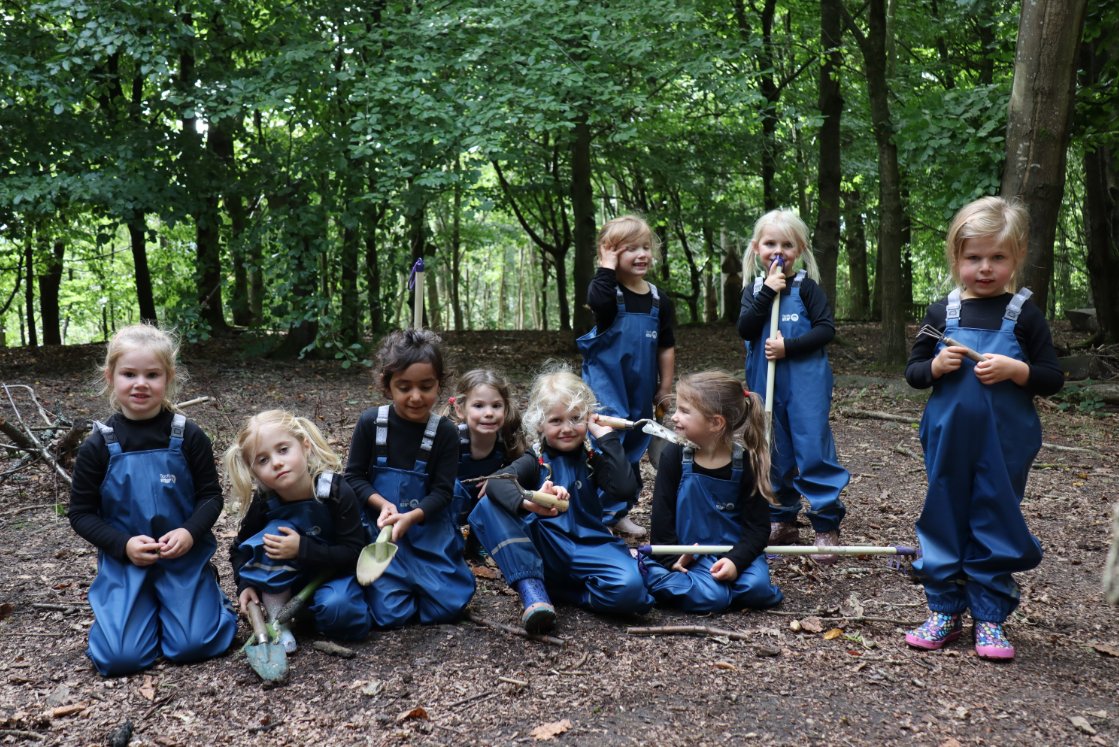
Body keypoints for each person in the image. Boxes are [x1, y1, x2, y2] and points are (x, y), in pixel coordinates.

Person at [904, 196, 1062, 661]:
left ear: (1016, 259)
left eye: (998, 257)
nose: (986, 268)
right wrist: (936, 365)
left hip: (1005, 444)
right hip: (948, 440)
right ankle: (944, 611)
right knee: (944, 514)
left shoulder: (1026, 315)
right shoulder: (941, 314)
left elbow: (1051, 378)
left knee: (994, 516)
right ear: (957, 258)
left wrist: (1017, 371)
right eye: (974, 258)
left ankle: (989, 616)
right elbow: (913, 374)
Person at [68, 324, 236, 676]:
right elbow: (81, 514)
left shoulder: (188, 435)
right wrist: (123, 544)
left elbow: (210, 497)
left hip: (182, 559)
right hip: (126, 564)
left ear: (168, 378)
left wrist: (190, 532)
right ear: (110, 376)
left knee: (194, 646)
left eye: (152, 374)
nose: (140, 383)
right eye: (129, 374)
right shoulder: (98, 445)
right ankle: (128, 616)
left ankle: (203, 600)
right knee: (120, 659)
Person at [468, 367, 654, 634]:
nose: (567, 428)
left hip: (590, 545)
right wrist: (530, 501)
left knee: (633, 591)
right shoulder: (534, 460)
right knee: (487, 505)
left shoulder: (592, 461)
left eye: (576, 418)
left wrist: (608, 439)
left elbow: (625, 489)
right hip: (545, 549)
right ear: (540, 424)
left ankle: (566, 594)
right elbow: (496, 482)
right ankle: (532, 589)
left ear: (588, 418)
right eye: (556, 421)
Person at [736, 208, 849, 563]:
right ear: (757, 249)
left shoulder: (807, 288)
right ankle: (781, 518)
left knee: (811, 448)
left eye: (787, 244)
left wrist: (789, 346)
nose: (778, 251)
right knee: (772, 449)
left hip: (805, 384)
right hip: (764, 383)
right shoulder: (754, 291)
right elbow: (746, 328)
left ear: (798, 250)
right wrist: (768, 292)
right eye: (770, 243)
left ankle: (825, 524)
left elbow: (825, 329)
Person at [344, 329, 474, 627]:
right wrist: (383, 505)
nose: (416, 397)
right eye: (404, 387)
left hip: (429, 533)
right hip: (382, 535)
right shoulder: (370, 423)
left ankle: (430, 584)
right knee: (391, 616)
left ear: (439, 384)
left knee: (448, 607)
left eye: (426, 386)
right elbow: (353, 477)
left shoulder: (445, 432)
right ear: (387, 386)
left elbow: (443, 492)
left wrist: (412, 517)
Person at [225, 410, 371, 652]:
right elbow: (238, 548)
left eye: (283, 450)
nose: (277, 462)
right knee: (272, 534)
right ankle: (278, 620)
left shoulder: (334, 491)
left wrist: (302, 549)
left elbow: (355, 552)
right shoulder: (265, 501)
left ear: (305, 446)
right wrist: (244, 585)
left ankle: (308, 612)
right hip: (284, 584)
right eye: (263, 460)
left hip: (334, 573)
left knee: (342, 614)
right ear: (254, 473)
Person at [640, 372, 784, 612]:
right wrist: (671, 560)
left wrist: (736, 561)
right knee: (712, 597)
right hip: (687, 557)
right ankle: (655, 574)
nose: (674, 417)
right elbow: (661, 519)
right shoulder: (673, 456)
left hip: (732, 552)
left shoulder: (746, 463)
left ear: (716, 423)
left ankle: (712, 589)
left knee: (757, 589)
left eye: (685, 411)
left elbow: (758, 528)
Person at [577, 214, 677, 538]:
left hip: (641, 388)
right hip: (607, 386)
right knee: (610, 443)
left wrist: (664, 386)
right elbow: (596, 297)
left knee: (635, 441)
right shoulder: (608, 296)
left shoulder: (660, 300)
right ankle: (597, 513)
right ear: (610, 254)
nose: (642, 254)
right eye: (630, 248)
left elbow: (666, 346)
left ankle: (618, 511)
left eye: (645, 247)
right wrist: (605, 266)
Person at [448, 369, 526, 560]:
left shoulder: (507, 440)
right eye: (479, 405)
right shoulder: (452, 439)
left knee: (502, 490)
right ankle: (447, 538)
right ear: (460, 409)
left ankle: (480, 541)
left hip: (482, 501)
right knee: (454, 488)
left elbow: (521, 467)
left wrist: (499, 478)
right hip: (450, 502)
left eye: (496, 405)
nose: (489, 413)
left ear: (505, 409)